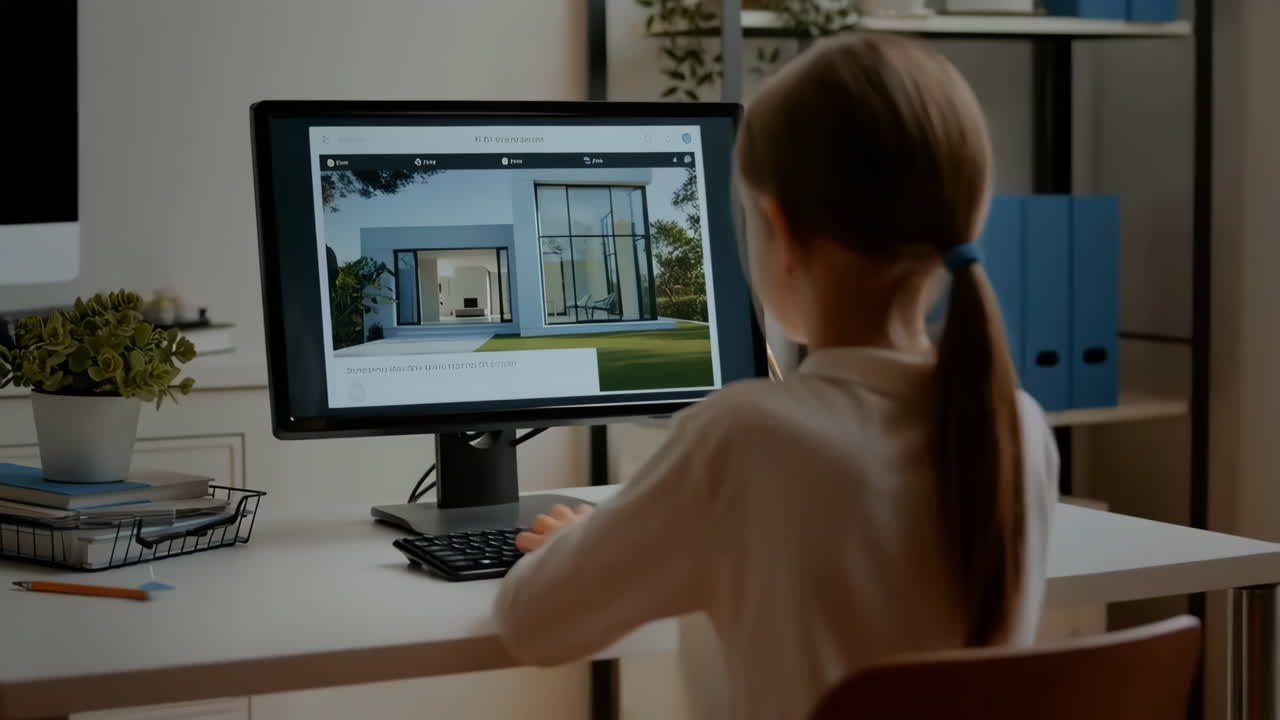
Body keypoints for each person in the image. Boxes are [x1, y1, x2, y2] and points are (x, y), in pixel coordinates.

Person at [493, 33, 1058, 720]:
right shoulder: (1018, 428)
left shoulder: (746, 436)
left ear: (778, 229)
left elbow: (532, 623)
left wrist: (579, 544)